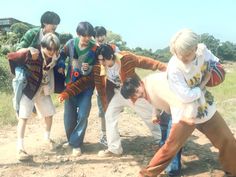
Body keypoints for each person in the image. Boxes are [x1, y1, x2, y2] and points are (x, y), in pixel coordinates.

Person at [120, 29, 236, 176]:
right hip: (184, 113)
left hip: (204, 107)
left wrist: (217, 71)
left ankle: (233, 170)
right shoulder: (174, 68)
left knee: (228, 140)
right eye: (178, 54)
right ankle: (146, 174)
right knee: (170, 148)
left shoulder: (203, 50)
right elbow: (186, 97)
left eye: (186, 55)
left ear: (195, 48)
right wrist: (204, 81)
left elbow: (215, 63)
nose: (182, 58)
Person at [94, 44, 167, 157]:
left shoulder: (126, 58)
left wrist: (163, 67)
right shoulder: (100, 67)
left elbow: (143, 61)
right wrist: (105, 103)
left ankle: (163, 142)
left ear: (111, 56)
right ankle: (114, 148)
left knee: (149, 116)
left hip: (133, 92)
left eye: (103, 60)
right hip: (117, 93)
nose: (101, 63)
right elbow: (101, 89)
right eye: (99, 60)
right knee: (109, 115)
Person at [7, 33, 61, 161]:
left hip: (43, 89)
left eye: (54, 49)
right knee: (23, 117)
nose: (51, 52)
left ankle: (47, 138)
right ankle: (20, 148)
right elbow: (11, 57)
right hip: (29, 89)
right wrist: (27, 51)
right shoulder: (33, 52)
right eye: (49, 49)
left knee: (49, 114)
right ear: (43, 46)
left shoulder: (55, 55)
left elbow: (59, 60)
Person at [12, 11, 61, 134]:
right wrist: (29, 49)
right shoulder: (33, 33)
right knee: (20, 82)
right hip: (28, 71)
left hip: (44, 75)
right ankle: (17, 105)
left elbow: (59, 55)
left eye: (56, 24)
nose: (54, 27)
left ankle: (47, 137)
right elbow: (18, 49)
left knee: (49, 112)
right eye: (52, 24)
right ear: (44, 23)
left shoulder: (56, 37)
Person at [57, 21, 97, 156]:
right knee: (69, 117)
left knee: (83, 115)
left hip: (86, 87)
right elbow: (61, 56)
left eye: (89, 36)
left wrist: (90, 68)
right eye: (84, 35)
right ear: (78, 34)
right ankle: (71, 140)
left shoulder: (95, 48)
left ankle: (76, 144)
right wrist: (61, 65)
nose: (87, 39)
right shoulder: (70, 44)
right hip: (70, 85)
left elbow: (99, 66)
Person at [94, 26, 120, 147]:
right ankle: (104, 134)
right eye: (97, 36)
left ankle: (113, 132)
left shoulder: (114, 48)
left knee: (113, 110)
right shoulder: (93, 49)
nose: (100, 38)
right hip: (101, 87)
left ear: (105, 35)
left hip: (114, 86)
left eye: (102, 35)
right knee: (103, 111)